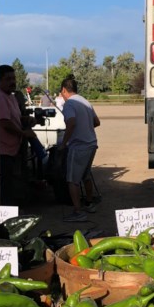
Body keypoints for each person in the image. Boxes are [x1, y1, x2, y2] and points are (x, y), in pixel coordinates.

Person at [0, 65, 36, 204]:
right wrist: (24, 133)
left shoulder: (10, 96)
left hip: (9, 149)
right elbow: (5, 123)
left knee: (9, 183)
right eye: (8, 79)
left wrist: (26, 119)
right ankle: (3, 216)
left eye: (13, 78)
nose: (12, 82)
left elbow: (14, 118)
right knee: (3, 186)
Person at [59, 76, 101, 222]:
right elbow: (96, 122)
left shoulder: (70, 104)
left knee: (72, 179)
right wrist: (86, 128)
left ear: (64, 90)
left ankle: (78, 212)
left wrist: (64, 143)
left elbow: (71, 123)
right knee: (86, 174)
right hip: (91, 143)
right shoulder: (85, 101)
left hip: (79, 146)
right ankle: (89, 203)